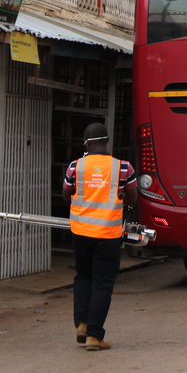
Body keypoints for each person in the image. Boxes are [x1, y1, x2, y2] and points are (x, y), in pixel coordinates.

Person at [62, 122, 137, 351]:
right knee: (103, 283)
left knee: (83, 277)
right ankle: (94, 336)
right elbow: (132, 198)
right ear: (106, 142)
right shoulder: (123, 167)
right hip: (108, 233)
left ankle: (82, 324)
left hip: (81, 233)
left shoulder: (75, 166)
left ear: (87, 143)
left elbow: (67, 194)